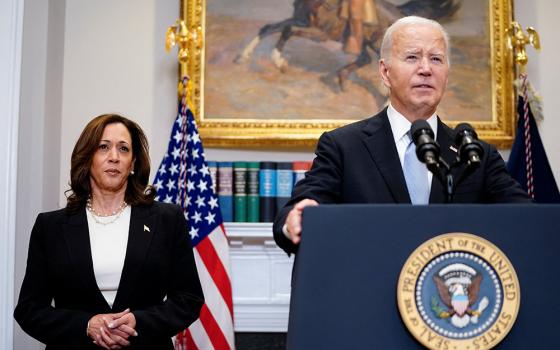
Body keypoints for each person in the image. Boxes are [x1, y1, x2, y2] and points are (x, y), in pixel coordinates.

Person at [273, 16, 530, 255]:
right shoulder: (344, 147)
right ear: (385, 72)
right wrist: (293, 222)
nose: (426, 69)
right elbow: (294, 213)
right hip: (369, 294)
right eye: (412, 57)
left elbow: (529, 220)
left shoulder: (476, 155)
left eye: (437, 59)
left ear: (446, 74)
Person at [14, 114, 204, 349]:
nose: (114, 157)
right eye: (103, 147)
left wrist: (139, 322)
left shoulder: (167, 220)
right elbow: (29, 310)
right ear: (87, 158)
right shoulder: (50, 226)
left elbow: (189, 299)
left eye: (123, 149)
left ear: (133, 163)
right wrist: (85, 325)